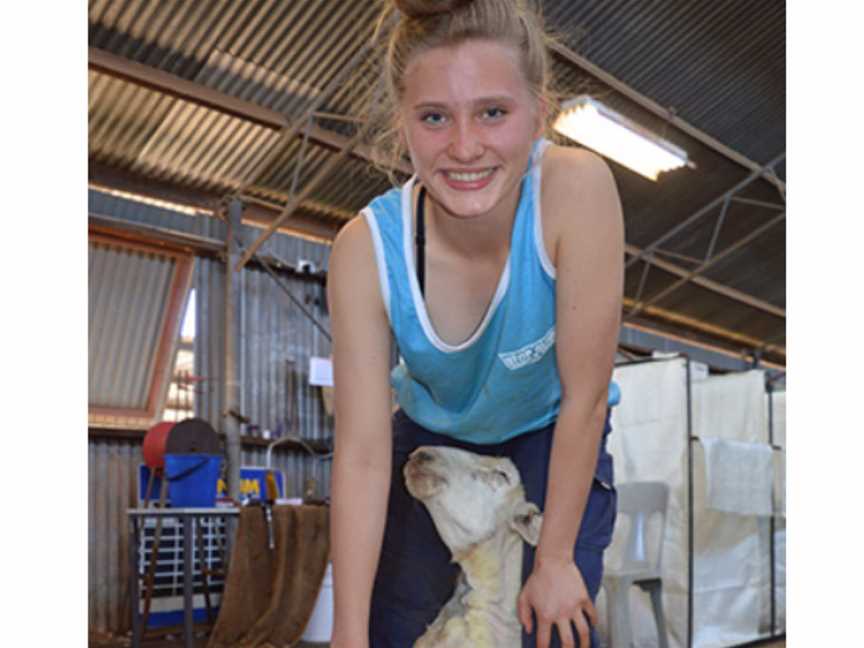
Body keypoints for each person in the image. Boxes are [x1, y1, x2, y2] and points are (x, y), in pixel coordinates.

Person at [326, 1, 624, 646]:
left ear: (539, 114)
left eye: (493, 112)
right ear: (403, 124)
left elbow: (586, 396)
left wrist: (553, 559)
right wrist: (347, 632)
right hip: (433, 429)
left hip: (550, 431)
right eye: (435, 117)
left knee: (549, 620)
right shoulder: (364, 250)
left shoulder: (575, 192)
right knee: (392, 627)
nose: (465, 147)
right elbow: (363, 455)